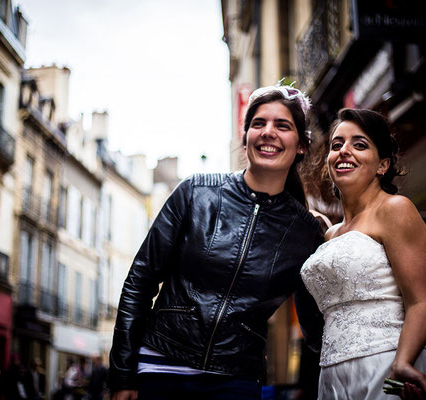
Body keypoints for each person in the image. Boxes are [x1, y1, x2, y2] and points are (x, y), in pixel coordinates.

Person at [108, 82, 324, 400]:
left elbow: (314, 326)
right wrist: (122, 374)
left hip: (236, 379)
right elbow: (139, 282)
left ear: (301, 145)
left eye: (283, 125)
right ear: (246, 135)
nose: (268, 132)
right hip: (161, 367)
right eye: (258, 123)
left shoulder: (305, 233)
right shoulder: (195, 192)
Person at [300, 108, 426, 400]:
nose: (344, 151)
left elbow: (420, 303)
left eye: (359, 144)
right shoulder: (330, 234)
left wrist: (402, 362)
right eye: (336, 144)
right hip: (332, 376)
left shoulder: (395, 209)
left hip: (387, 364)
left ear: (382, 165)